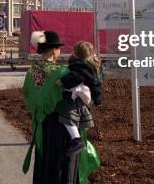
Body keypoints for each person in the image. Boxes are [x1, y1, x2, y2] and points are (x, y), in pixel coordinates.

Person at [22, 30, 100, 184]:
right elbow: (86, 96)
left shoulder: (31, 71)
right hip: (62, 127)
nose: (60, 51)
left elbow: (27, 94)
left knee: (45, 162)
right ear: (52, 50)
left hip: (42, 124)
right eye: (58, 48)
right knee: (63, 166)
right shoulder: (63, 72)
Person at [55, 41, 103, 156]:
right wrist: (97, 99)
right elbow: (97, 84)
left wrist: (62, 82)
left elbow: (75, 78)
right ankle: (80, 137)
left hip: (80, 98)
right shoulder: (93, 65)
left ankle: (76, 140)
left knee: (67, 115)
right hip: (88, 98)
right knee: (81, 116)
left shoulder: (80, 67)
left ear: (76, 54)